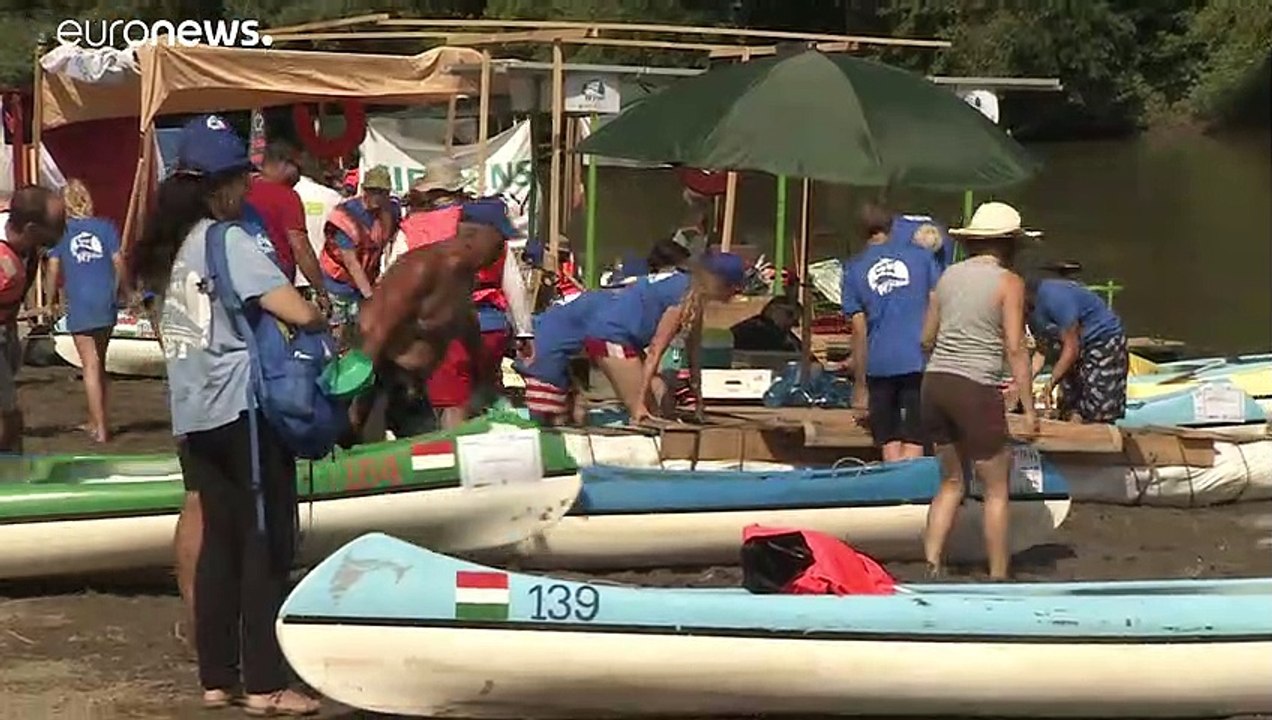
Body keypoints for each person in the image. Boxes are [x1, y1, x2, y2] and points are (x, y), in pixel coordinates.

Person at [129, 114, 321, 715]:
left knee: (218, 541)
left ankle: (217, 678)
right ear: (223, 185)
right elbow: (292, 309)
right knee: (262, 543)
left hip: (193, 411)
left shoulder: (170, 250)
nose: (248, 187)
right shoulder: (227, 239)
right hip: (244, 409)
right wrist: (320, 315)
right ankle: (266, 685)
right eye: (242, 177)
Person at [919, 201, 1039, 581]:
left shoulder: (948, 277)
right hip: (975, 385)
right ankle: (999, 574)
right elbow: (1016, 347)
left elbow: (926, 337)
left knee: (951, 482)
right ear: (1009, 245)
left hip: (935, 382)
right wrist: (1029, 407)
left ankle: (931, 565)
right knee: (996, 487)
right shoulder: (1009, 282)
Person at [357, 205, 516, 420]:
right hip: (379, 380)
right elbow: (377, 332)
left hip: (414, 386)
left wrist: (485, 376)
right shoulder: (422, 268)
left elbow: (467, 323)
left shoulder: (466, 277)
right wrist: (357, 407)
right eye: (498, 244)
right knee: (362, 449)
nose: (501, 252)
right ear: (472, 236)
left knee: (428, 449)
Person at [582, 250, 745, 422]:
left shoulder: (693, 295)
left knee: (663, 398)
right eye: (732, 287)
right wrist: (639, 405)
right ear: (715, 281)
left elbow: (694, 354)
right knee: (648, 412)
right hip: (609, 335)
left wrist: (699, 402)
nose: (735, 293)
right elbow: (655, 351)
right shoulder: (681, 296)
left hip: (625, 339)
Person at [842, 203, 942, 462]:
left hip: (879, 363)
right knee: (916, 436)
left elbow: (859, 329)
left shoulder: (853, 269)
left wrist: (860, 385)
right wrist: (929, 341)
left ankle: (897, 491)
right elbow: (937, 300)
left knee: (889, 438)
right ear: (893, 226)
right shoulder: (922, 257)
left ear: (860, 231)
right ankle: (913, 491)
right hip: (918, 359)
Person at [46, 179, 122, 443]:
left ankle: (100, 429)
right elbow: (118, 262)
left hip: (80, 301)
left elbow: (53, 268)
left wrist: (50, 298)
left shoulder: (62, 232)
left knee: (89, 365)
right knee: (100, 362)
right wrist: (122, 289)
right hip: (105, 300)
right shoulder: (106, 227)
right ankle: (96, 418)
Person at [0, 186, 66, 452]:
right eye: (56, 227)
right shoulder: (5, 266)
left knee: (10, 417)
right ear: (30, 228)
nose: (62, 233)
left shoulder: (24, 241)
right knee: (8, 419)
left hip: (7, 328)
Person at [1026, 277, 1129, 423]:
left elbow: (1072, 348)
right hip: (1074, 344)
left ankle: (1099, 433)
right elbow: (1041, 351)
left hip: (1103, 338)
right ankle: (1073, 429)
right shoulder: (1029, 313)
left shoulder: (1055, 298)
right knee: (1069, 402)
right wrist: (1021, 384)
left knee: (1098, 407)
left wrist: (1049, 385)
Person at [245, 142, 331, 314]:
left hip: (242, 283)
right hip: (276, 286)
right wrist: (321, 291)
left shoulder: (241, 188)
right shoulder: (286, 196)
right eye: (297, 168)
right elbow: (300, 247)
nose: (299, 176)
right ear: (284, 164)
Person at [319, 164, 397, 342]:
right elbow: (351, 263)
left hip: (365, 281)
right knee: (338, 333)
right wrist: (370, 296)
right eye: (373, 190)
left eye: (382, 192)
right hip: (337, 283)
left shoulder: (389, 212)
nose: (377, 196)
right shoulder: (345, 216)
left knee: (360, 333)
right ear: (364, 190)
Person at [730, 297, 803, 353]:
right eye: (789, 314)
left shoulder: (785, 335)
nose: (793, 323)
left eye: (796, 320)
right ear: (772, 310)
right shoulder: (755, 331)